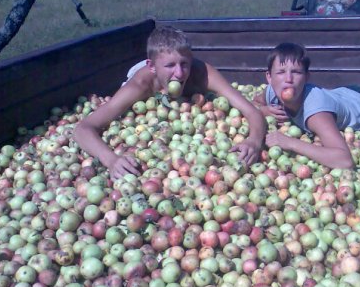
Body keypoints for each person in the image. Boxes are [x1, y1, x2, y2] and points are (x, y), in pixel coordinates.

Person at [74, 26, 265, 179]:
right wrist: (111, 160)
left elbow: (251, 111)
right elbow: (83, 128)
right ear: (152, 66)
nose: (180, 74)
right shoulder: (140, 85)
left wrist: (255, 141)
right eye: (170, 65)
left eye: (184, 63)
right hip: (143, 76)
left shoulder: (201, 73)